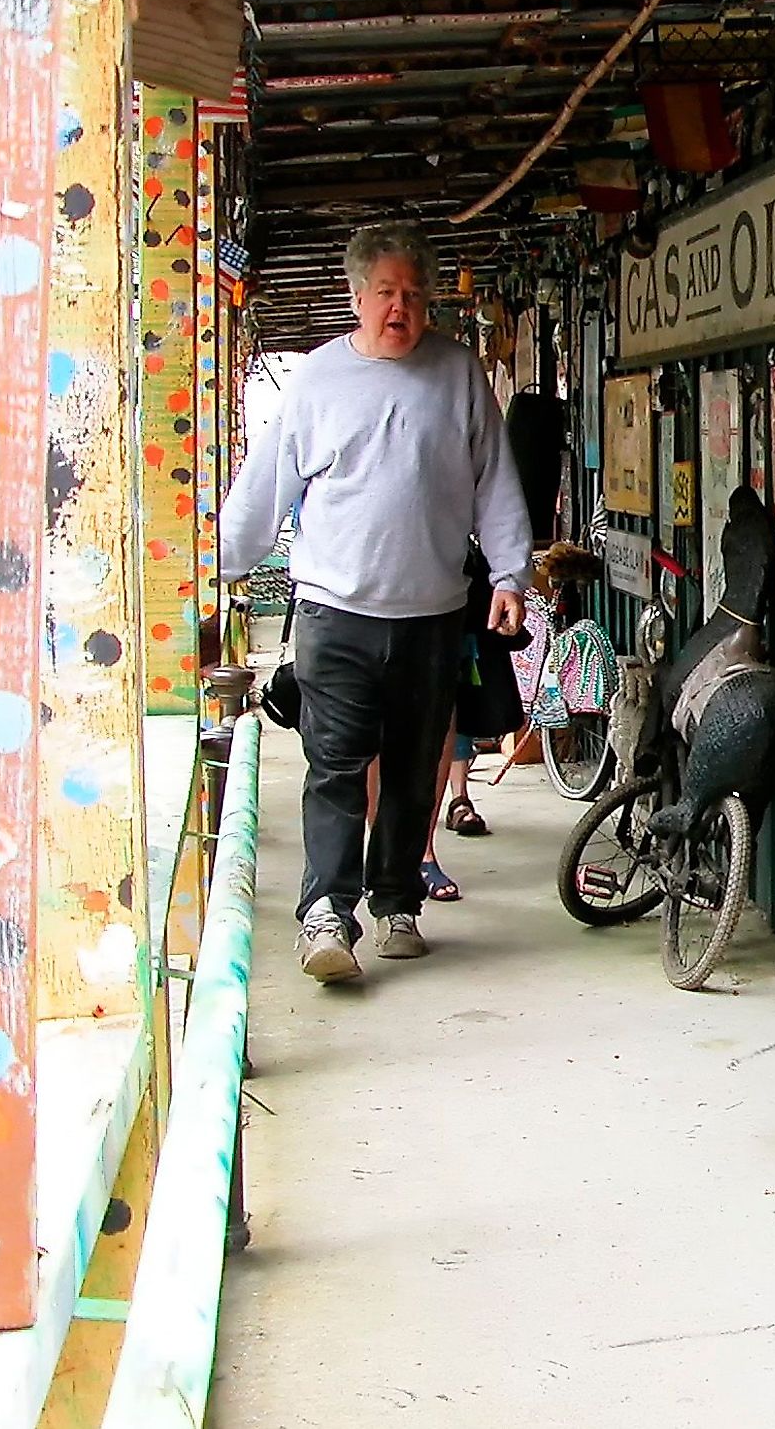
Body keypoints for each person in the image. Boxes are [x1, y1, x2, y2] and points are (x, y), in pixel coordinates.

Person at [221, 222, 534, 984]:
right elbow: (266, 490)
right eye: (388, 293)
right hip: (335, 613)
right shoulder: (318, 381)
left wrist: (510, 577)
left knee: (413, 764)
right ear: (358, 297)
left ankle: (398, 903)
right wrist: (217, 568)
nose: (402, 308)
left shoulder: (458, 375)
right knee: (334, 764)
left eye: (415, 295)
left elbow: (496, 483)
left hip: (432, 614)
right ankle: (327, 913)